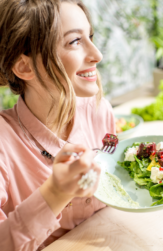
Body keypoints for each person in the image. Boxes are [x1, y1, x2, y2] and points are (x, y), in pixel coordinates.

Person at [0, 0, 116, 250]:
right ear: (24, 66)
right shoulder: (3, 143)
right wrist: (55, 194)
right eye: (75, 41)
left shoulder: (100, 111)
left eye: (90, 36)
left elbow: (115, 168)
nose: (97, 55)